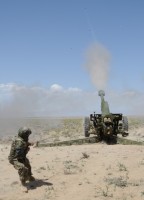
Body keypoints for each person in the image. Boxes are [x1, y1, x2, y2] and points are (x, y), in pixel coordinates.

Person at [8, 127, 35, 192]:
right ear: (24, 135)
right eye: (27, 135)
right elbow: (19, 155)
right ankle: (23, 184)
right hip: (15, 159)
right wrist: (27, 149)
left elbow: (25, 142)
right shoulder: (19, 143)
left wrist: (29, 144)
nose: (28, 136)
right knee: (23, 168)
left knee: (28, 164)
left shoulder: (21, 139)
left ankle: (29, 177)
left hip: (20, 157)